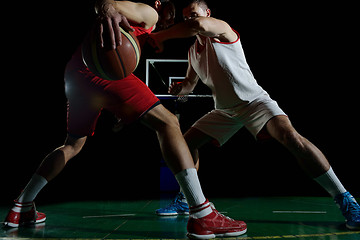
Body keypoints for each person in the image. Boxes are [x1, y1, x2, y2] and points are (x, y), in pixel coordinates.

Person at [3, 0, 248, 239]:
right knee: (168, 122)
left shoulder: (137, 33)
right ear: (159, 3)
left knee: (72, 144)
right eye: (171, 11)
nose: (171, 20)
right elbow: (107, 4)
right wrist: (109, 9)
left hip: (77, 74)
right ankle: (202, 214)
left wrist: (122, 108)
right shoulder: (149, 13)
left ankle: (21, 207)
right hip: (98, 72)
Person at [150, 0, 360, 230]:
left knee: (291, 138)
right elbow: (190, 83)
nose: (190, 20)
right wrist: (180, 88)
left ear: (207, 13)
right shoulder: (193, 52)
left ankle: (345, 199)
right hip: (224, 111)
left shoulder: (223, 32)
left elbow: (200, 25)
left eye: (194, 14)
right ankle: (185, 199)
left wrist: (159, 37)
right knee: (185, 143)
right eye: (186, 18)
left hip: (255, 102)